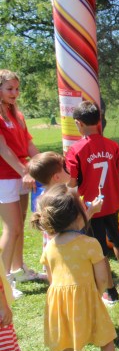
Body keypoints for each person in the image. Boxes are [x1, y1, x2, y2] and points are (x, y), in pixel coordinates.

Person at [32, 184, 119, 351]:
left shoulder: (50, 246)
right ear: (79, 216)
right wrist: (96, 293)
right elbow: (103, 279)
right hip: (88, 299)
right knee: (106, 341)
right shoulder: (90, 243)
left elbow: (52, 279)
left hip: (60, 305)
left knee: (68, 347)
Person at [65, 101, 119, 306]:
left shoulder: (75, 150)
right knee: (117, 239)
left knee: (99, 250)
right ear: (99, 121)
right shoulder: (113, 146)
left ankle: (110, 291)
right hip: (112, 203)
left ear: (78, 123)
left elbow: (71, 182)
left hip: (91, 208)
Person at [0, 69, 43, 300]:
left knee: (20, 225)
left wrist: (45, 164)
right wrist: (24, 171)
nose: (15, 93)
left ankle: (18, 270)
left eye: (17, 88)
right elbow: (3, 150)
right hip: (4, 177)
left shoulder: (18, 115)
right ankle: (4, 281)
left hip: (22, 174)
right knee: (12, 228)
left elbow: (28, 146)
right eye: (9, 89)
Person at [27, 151, 103, 277]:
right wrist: (92, 210)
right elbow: (74, 228)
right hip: (69, 253)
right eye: (65, 167)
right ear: (56, 177)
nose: (69, 168)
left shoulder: (42, 198)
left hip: (53, 253)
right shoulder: (64, 199)